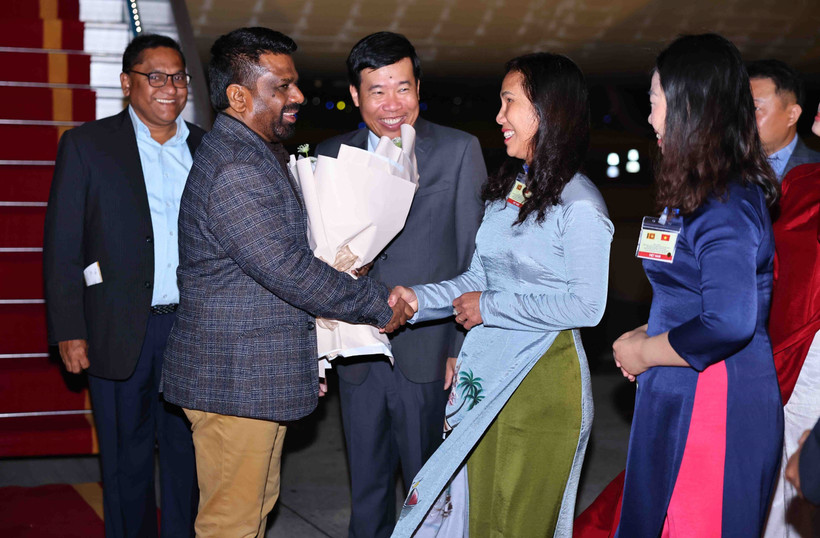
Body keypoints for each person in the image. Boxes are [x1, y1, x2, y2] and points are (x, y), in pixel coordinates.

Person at [160, 27, 413, 538]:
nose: (297, 95)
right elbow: (289, 270)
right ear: (239, 97)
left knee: (253, 512)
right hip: (234, 383)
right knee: (231, 524)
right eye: (282, 86)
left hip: (254, 378)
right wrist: (376, 305)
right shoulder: (236, 167)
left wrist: (304, 357)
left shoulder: (254, 151)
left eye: (294, 83)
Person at [390, 52, 612, 537]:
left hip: (542, 380)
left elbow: (587, 306)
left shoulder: (581, 205)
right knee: (479, 519)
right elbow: (479, 278)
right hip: (488, 374)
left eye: (509, 102)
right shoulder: (515, 188)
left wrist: (489, 308)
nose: (499, 116)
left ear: (546, 110)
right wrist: (418, 300)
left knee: (518, 523)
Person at [315, 31, 486, 538]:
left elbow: (475, 255)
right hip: (357, 353)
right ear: (355, 94)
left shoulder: (458, 150)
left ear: (418, 88)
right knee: (366, 489)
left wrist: (461, 346)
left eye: (403, 88)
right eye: (378, 91)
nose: (393, 105)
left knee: (428, 490)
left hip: (429, 350)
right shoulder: (330, 153)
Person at [612, 34, 782, 537]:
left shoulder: (724, 203)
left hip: (715, 398)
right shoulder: (695, 190)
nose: (650, 119)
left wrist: (645, 352)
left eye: (655, 102)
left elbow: (728, 321)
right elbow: (688, 291)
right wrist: (645, 334)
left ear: (689, 107)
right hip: (680, 381)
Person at [42, 34, 202, 538]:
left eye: (178, 77)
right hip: (116, 328)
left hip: (192, 331)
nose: (169, 87)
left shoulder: (208, 148)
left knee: (188, 458)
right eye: (155, 76)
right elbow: (63, 245)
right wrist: (69, 329)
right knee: (123, 460)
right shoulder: (87, 145)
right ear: (127, 83)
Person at [766, 101, 820, 536]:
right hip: (780, 340)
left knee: (805, 475)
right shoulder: (802, 180)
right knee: (779, 475)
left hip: (812, 349)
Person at [748, 59, 820, 181]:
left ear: (792, 115)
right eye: (740, 108)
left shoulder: (815, 170)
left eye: (755, 108)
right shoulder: (722, 165)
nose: (743, 116)